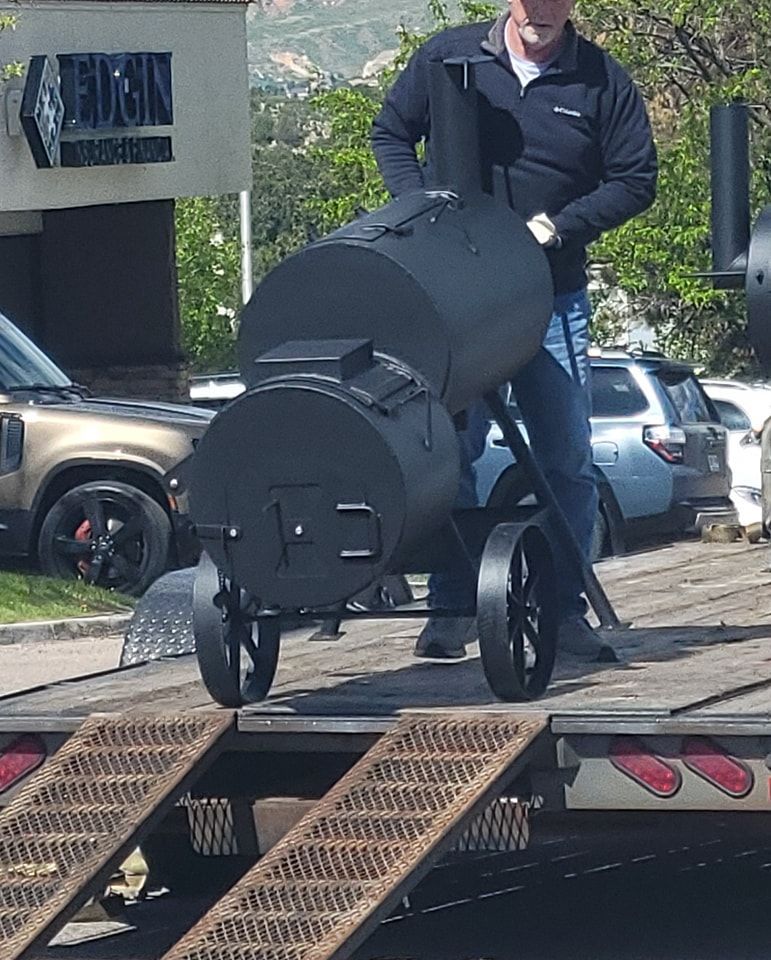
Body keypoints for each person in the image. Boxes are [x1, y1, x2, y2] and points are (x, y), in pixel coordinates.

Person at [371, 0, 657, 661]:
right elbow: (390, 134)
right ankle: (452, 607)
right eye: (532, 1)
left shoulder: (601, 79)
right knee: (453, 452)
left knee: (565, 458)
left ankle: (562, 612)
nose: (542, 13)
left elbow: (635, 179)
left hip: (550, 297)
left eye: (555, 1)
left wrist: (559, 226)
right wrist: (421, 208)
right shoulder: (447, 57)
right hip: (455, 298)